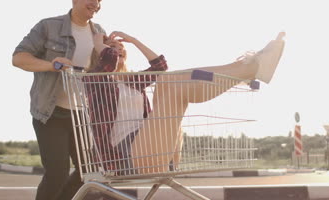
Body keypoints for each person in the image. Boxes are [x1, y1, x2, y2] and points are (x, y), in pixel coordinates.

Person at [83, 30, 285, 175]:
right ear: (99, 53)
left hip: (154, 145)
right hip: (125, 155)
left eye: (121, 49)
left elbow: (160, 66)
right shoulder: (94, 80)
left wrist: (134, 40)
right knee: (171, 82)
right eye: (114, 49)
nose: (118, 51)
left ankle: (244, 66)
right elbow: (108, 61)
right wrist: (100, 43)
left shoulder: (132, 83)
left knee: (167, 79)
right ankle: (249, 68)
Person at [12, 0, 105, 200]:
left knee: (89, 171)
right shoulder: (48, 26)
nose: (96, 3)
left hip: (82, 113)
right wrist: (52, 64)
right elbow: (18, 58)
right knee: (57, 173)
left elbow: (106, 69)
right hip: (50, 112)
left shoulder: (99, 31)